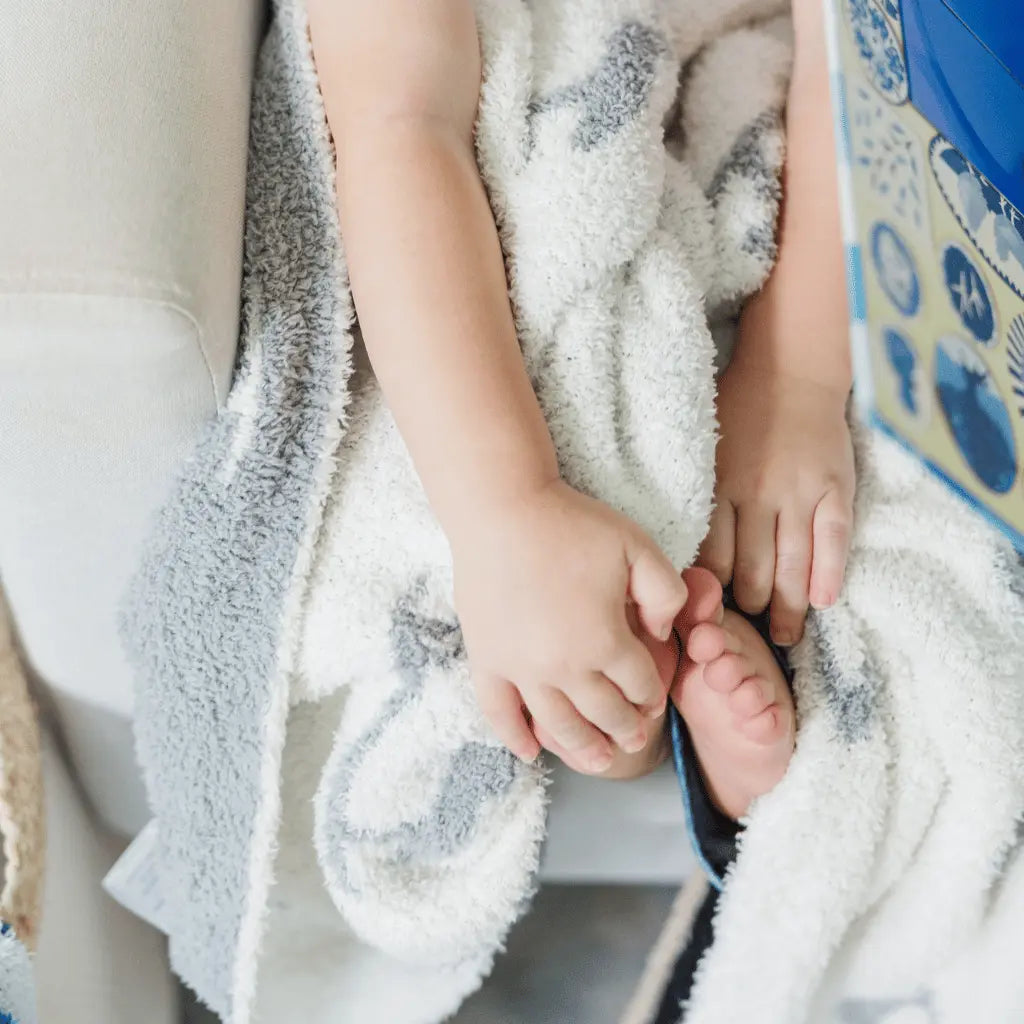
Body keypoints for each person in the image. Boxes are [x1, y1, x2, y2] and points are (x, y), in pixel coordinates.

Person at [308, 0, 854, 818]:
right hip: (479, 242)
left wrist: (795, 375)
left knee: (844, 510)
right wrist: (505, 506)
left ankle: (747, 694)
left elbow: (870, 61)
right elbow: (398, 127)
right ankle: (636, 693)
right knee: (548, 458)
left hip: (760, 145)